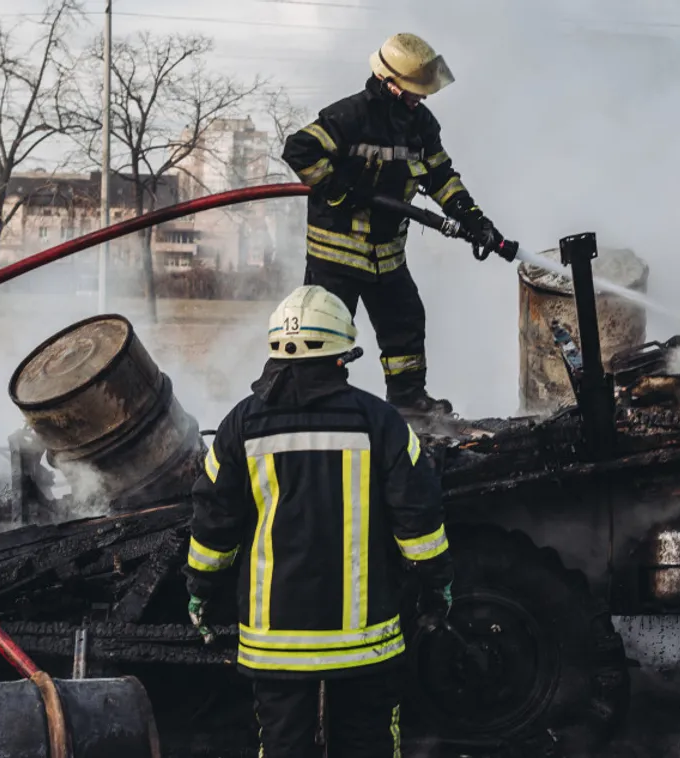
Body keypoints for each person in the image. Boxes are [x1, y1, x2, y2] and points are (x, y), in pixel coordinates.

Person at [183, 285, 454, 758]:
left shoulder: (239, 426)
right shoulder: (381, 422)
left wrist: (201, 590)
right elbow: (418, 521)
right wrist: (437, 586)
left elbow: (213, 524)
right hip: (364, 641)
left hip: (275, 644)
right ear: (341, 355)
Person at [282, 32, 514, 416]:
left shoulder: (420, 124)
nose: (420, 97)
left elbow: (441, 177)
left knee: (405, 323)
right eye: (413, 89)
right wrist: (340, 188)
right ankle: (314, 408)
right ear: (390, 83)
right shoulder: (350, 115)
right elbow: (300, 149)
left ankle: (408, 402)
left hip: (387, 255)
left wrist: (475, 220)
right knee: (325, 332)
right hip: (336, 254)